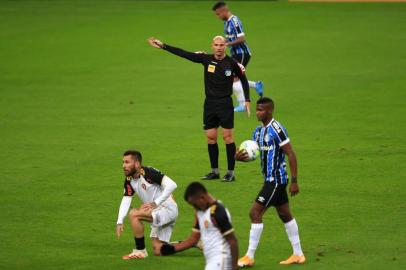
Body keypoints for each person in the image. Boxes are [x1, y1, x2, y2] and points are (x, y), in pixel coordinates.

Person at [148, 36, 250, 182]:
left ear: (225, 46)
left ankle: (230, 172)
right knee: (211, 138)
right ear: (212, 46)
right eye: (216, 45)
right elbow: (184, 53)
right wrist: (164, 46)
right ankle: (215, 171)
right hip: (209, 104)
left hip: (225, 104)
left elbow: (244, 80)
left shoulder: (232, 63)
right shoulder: (205, 59)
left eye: (222, 45)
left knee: (227, 138)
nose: (219, 47)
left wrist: (247, 99)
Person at [236, 97, 306, 266]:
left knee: (255, 213)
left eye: (261, 110)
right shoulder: (258, 132)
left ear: (270, 111)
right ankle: (298, 254)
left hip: (276, 180)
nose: (258, 112)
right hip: (270, 179)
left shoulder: (277, 129)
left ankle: (249, 256)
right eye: (257, 109)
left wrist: (294, 181)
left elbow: (291, 153)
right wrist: (238, 158)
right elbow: (255, 154)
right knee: (284, 214)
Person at [160, 182, 239, 270]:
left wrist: (234, 266)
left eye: (194, 204)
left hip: (221, 260)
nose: (194, 207)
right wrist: (172, 249)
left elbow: (232, 240)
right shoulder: (200, 212)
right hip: (211, 260)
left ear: (202, 198)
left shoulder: (217, 212)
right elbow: (193, 239)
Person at [116, 150, 178, 259]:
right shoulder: (129, 179)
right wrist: (120, 221)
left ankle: (140, 250)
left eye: (127, 162)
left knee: (134, 214)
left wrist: (155, 203)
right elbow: (126, 198)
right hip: (157, 211)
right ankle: (192, 242)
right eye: (123, 162)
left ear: (137, 164)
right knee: (158, 249)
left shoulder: (148, 173)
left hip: (167, 209)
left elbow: (172, 185)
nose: (123, 166)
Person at [212, 1, 264, 112]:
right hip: (235, 53)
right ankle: (256, 85)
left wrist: (227, 44)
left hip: (242, 53)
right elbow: (230, 38)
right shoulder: (226, 22)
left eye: (218, 14)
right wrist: (223, 41)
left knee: (234, 78)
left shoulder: (234, 21)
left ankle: (242, 104)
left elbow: (242, 39)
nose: (218, 17)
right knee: (233, 77)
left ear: (224, 10)